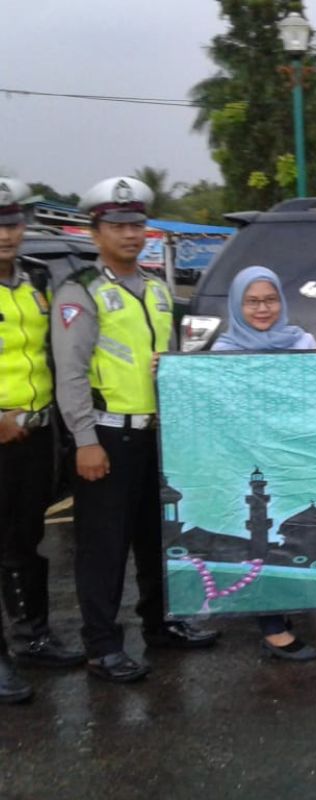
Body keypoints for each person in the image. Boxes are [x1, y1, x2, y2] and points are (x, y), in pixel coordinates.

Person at [52, 177, 217, 683]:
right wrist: (84, 441)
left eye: (137, 224)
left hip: (153, 435)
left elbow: (166, 362)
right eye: (118, 225)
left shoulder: (158, 290)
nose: (130, 233)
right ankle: (102, 646)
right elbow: (71, 373)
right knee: (103, 547)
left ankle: (159, 626)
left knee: (155, 539)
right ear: (96, 232)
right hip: (106, 437)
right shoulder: (80, 293)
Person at [211, 266, 316, 661]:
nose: (263, 309)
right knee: (264, 541)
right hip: (251, 461)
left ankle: (283, 611)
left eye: (271, 299)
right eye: (252, 301)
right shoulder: (224, 353)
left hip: (296, 458)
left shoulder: (302, 342)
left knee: (293, 536)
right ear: (238, 305)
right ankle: (272, 628)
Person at [2, 178, 82, 704]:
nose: (6, 234)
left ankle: (32, 636)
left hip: (35, 434)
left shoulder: (36, 277)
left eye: (11, 222)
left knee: (24, 541)